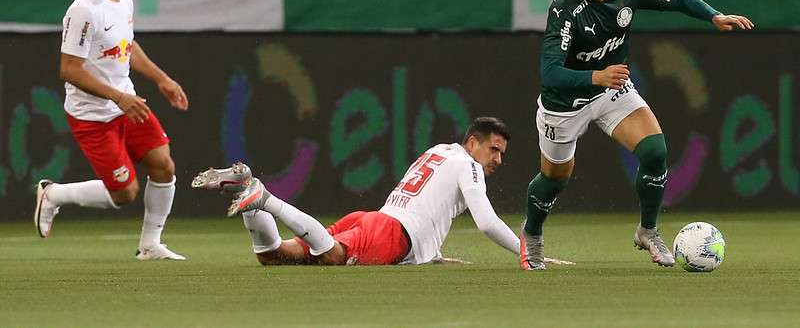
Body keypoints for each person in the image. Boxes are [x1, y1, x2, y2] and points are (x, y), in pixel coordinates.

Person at [520, 0, 754, 270]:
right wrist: (595, 76)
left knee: (655, 151)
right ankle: (533, 234)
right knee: (555, 178)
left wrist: (713, 15)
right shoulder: (565, 10)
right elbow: (550, 73)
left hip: (611, 89)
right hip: (565, 104)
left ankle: (648, 231)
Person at [194, 117, 570, 266]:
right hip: (391, 235)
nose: (498, 159)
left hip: (377, 220)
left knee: (275, 256)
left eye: (503, 153)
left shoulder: (439, 151)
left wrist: (431, 254)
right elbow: (486, 223)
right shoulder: (468, 165)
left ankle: (246, 189)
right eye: (494, 149)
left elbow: (424, 204)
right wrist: (529, 252)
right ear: (472, 143)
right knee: (332, 258)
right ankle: (265, 198)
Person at [33, 0, 189, 260]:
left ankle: (149, 246)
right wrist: (118, 98)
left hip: (125, 104)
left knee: (163, 165)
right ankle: (53, 195)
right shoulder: (83, 10)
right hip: (93, 115)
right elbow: (70, 69)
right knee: (125, 193)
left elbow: (126, 46)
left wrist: (162, 79)